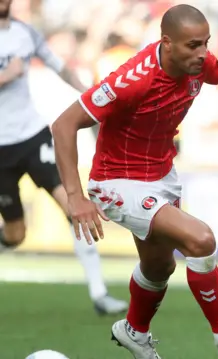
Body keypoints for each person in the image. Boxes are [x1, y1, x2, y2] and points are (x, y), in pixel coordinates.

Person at [51, 4, 218, 359]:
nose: (202, 54)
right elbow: (63, 125)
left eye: (205, 44)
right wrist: (75, 196)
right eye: (193, 45)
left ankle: (134, 331)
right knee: (201, 240)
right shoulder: (132, 80)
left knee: (159, 267)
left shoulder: (199, 64)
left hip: (162, 175)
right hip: (118, 183)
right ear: (167, 43)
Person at [0, 0, 128, 315]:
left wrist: (90, 96)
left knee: (74, 207)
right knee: (16, 234)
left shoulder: (26, 33)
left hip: (32, 136)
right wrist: (5, 76)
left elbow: (61, 67)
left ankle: (99, 294)